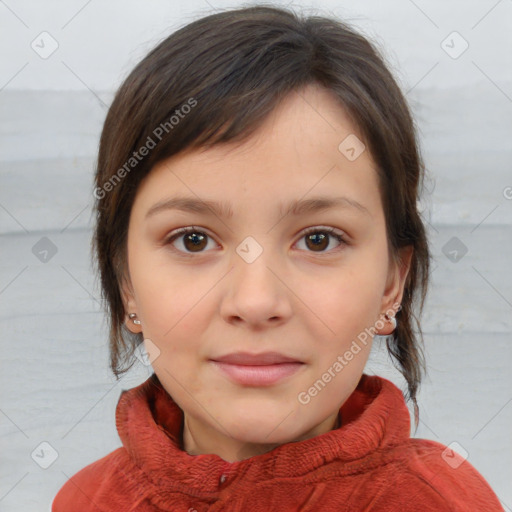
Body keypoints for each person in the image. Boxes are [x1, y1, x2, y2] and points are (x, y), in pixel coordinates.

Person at [52, 4, 504, 511]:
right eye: (194, 240)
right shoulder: (85, 500)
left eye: (318, 240)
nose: (256, 301)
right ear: (126, 282)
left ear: (391, 284)